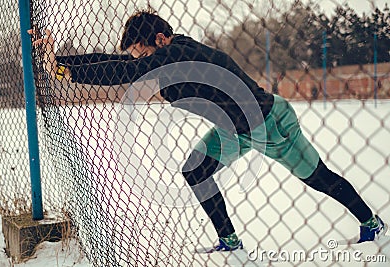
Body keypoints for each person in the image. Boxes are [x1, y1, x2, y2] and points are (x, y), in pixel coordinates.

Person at [29, 9, 387, 252]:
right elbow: (122, 65)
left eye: (143, 53)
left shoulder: (178, 54)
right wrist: (58, 64)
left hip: (268, 124)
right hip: (232, 129)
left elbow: (123, 73)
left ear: (160, 39)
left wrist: (64, 70)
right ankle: (229, 241)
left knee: (317, 177)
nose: (141, 63)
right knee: (196, 170)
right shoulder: (168, 55)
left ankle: (371, 222)